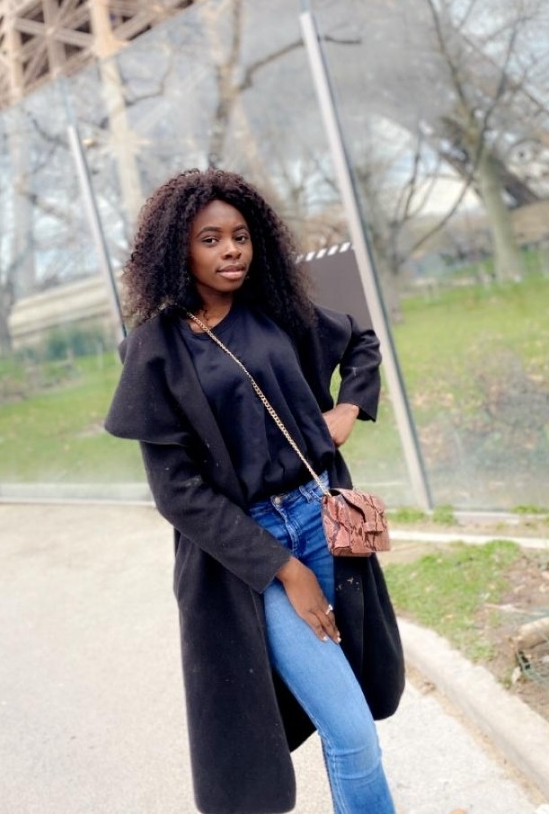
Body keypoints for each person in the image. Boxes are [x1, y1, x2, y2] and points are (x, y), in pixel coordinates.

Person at [105, 168, 404, 814]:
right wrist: (284, 570)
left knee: (351, 714)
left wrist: (348, 408)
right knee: (350, 730)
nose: (231, 251)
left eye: (240, 236)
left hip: (320, 519)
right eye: (210, 239)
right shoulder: (155, 352)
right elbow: (178, 494)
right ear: (177, 250)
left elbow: (359, 342)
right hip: (251, 555)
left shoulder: (274, 311)